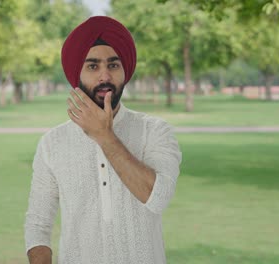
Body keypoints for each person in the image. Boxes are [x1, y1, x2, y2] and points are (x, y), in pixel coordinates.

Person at [24, 16, 182, 264]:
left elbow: (158, 197)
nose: (105, 76)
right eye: (93, 66)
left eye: (113, 65)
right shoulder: (53, 143)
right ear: (77, 74)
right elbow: (38, 224)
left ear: (125, 71)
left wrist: (104, 135)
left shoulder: (155, 131)